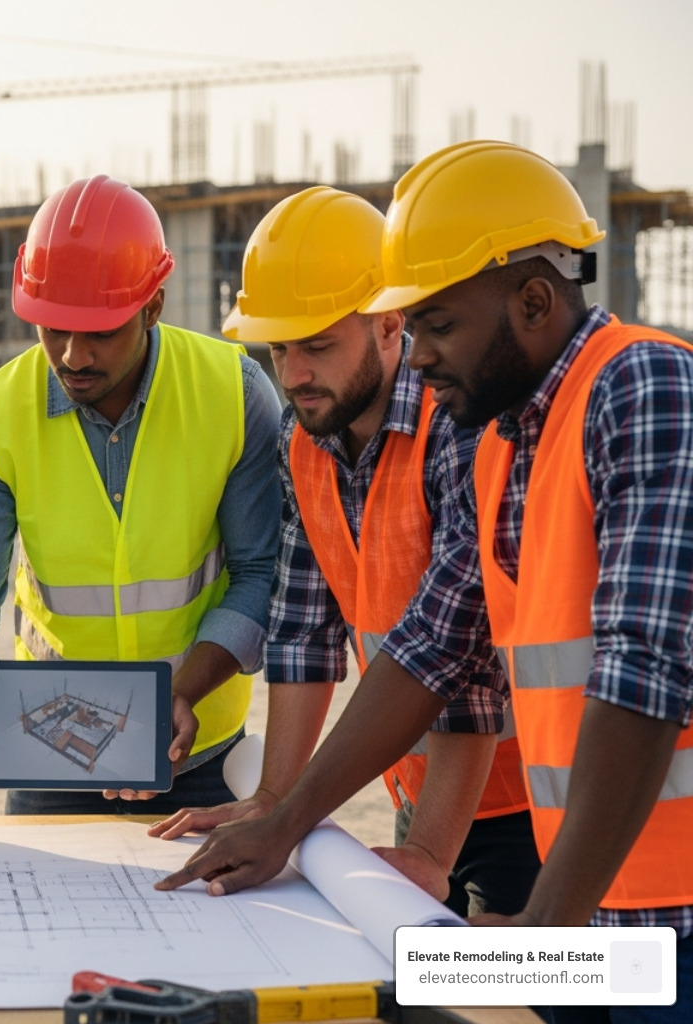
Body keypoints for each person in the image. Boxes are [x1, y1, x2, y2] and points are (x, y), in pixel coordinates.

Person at [161, 141, 691, 1023]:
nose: (421, 353)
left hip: (664, 920)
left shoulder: (645, 384)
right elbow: (432, 648)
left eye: (438, 324)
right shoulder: (501, 440)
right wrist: (284, 820)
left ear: (532, 301)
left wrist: (547, 933)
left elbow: (646, 670)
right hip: (595, 908)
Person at [149, 186, 538, 918]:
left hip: (533, 803)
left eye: (319, 345)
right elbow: (302, 634)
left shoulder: (458, 432)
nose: (294, 374)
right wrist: (270, 796)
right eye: (279, 348)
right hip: (421, 787)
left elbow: (460, 658)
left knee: (528, 991)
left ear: (391, 325)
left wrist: (428, 851)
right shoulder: (304, 446)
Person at [0, 175, 282, 849]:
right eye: (54, 330)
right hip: (47, 752)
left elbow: (261, 572)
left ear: (154, 306)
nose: (74, 357)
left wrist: (181, 695)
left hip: (201, 755)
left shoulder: (236, 394)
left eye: (100, 332)